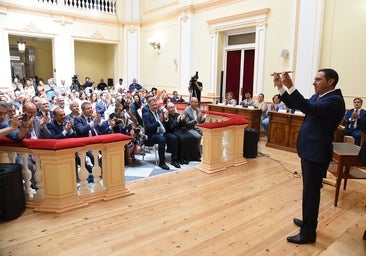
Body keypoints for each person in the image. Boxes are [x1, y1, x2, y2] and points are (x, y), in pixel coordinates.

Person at [273, 68, 345, 244]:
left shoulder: (334, 101)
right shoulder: (320, 96)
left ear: (331, 81)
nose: (314, 82)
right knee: (309, 192)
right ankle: (308, 222)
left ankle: (308, 233)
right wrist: (281, 87)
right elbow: (297, 104)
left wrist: (291, 86)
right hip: (310, 151)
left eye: (318, 79)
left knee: (311, 194)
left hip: (316, 152)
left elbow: (308, 108)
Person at [142, 97, 180, 170]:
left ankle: (174, 160)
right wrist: (158, 122)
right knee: (162, 140)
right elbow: (148, 128)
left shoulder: (159, 112)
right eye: (153, 105)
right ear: (149, 106)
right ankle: (162, 162)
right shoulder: (146, 114)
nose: (155, 106)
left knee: (174, 137)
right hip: (152, 134)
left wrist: (166, 119)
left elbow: (165, 124)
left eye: (156, 105)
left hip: (162, 132)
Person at [183, 97, 206, 161]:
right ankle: (197, 155)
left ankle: (205, 152)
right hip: (190, 129)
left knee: (208, 134)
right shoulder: (186, 111)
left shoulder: (198, 110)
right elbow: (187, 123)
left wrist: (204, 118)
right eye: (195, 102)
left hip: (198, 128)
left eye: (197, 102)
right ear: (191, 103)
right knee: (198, 137)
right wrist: (195, 120)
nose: (196, 104)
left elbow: (200, 122)